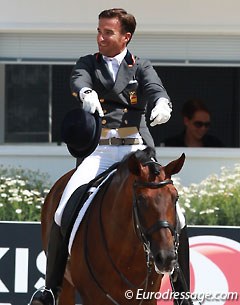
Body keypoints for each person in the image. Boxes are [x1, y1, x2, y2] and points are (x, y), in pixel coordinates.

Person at [30, 8, 191, 305]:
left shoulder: (140, 65)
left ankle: (182, 291)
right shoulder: (87, 63)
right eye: (99, 31)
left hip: (135, 148)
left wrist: (162, 103)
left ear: (125, 37)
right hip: (101, 150)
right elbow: (78, 80)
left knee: (177, 217)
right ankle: (51, 288)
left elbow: (155, 88)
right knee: (63, 209)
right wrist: (85, 93)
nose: (100, 37)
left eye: (108, 32)